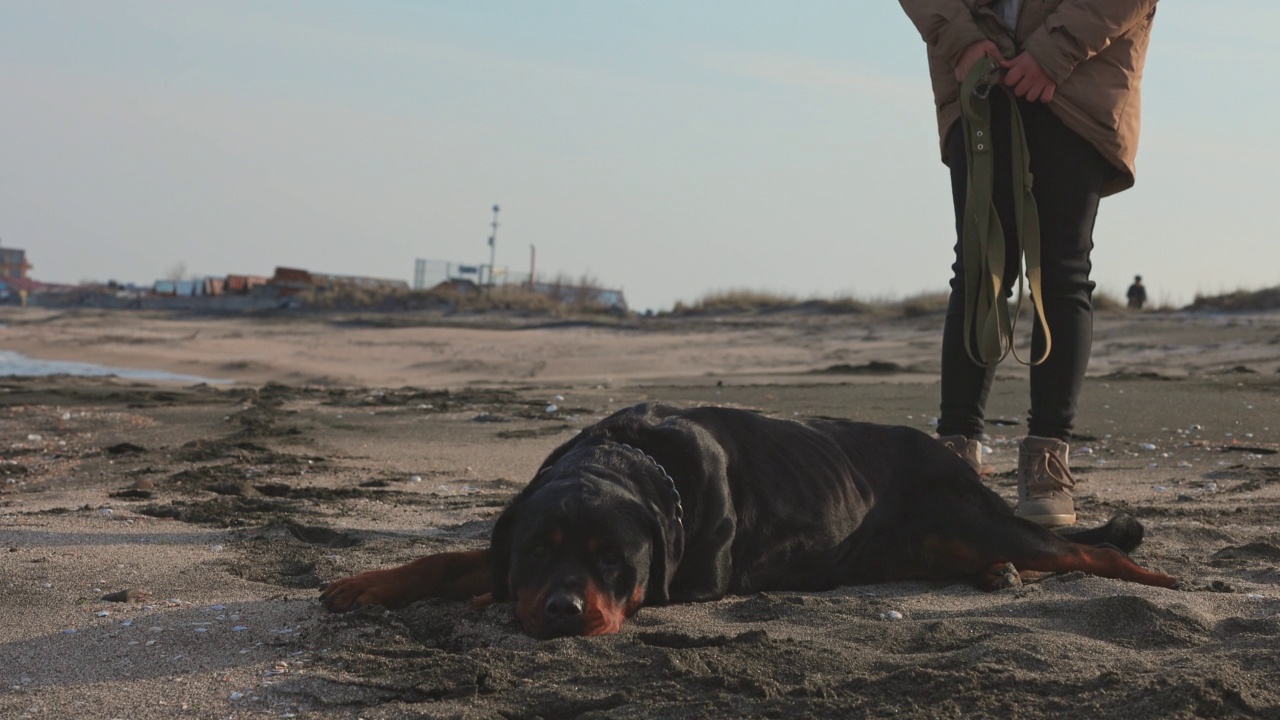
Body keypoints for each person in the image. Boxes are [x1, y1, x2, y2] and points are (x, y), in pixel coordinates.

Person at [898, 0, 1158, 527]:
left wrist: (1054, 51)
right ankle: (954, 458)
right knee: (977, 269)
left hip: (1081, 80)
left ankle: (1046, 460)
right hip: (977, 75)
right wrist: (963, 41)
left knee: (1060, 271)